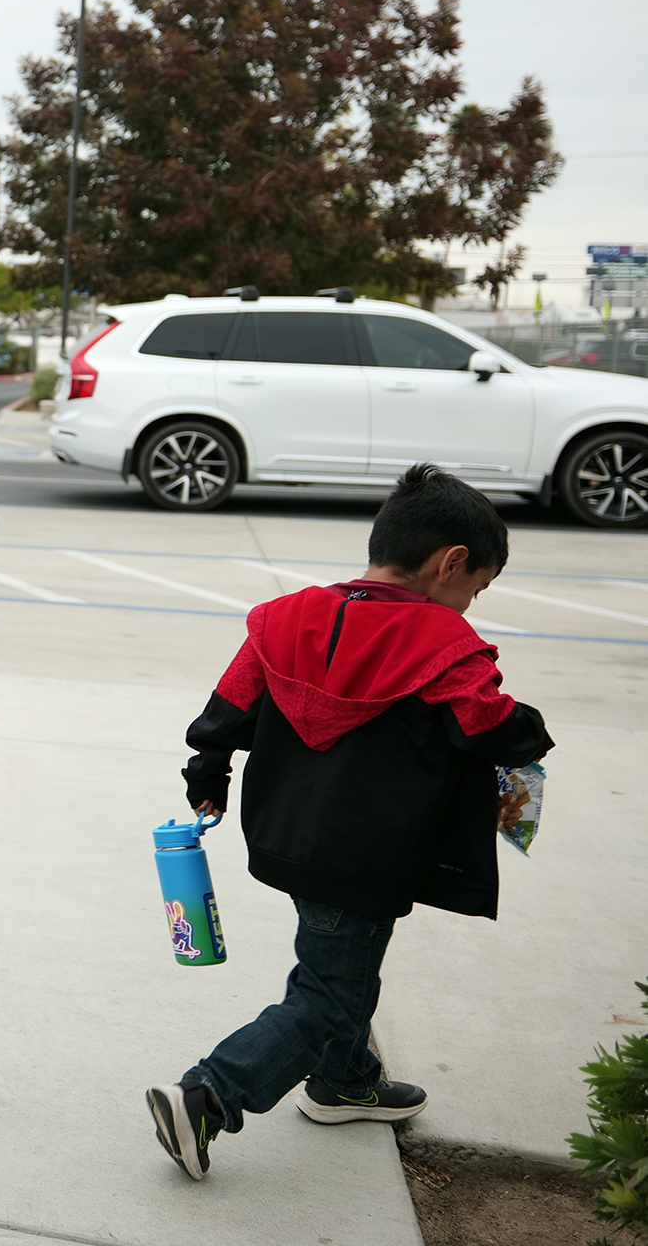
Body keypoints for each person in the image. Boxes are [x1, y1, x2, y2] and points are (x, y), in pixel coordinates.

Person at [146, 464, 553, 1179]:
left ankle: (344, 1081)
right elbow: (486, 722)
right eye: (476, 588)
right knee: (334, 996)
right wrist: (531, 735)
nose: (471, 605)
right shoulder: (443, 643)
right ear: (449, 563)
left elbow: (228, 708)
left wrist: (207, 776)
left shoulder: (285, 617)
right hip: (368, 852)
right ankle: (211, 1093)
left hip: (286, 835)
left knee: (337, 964)